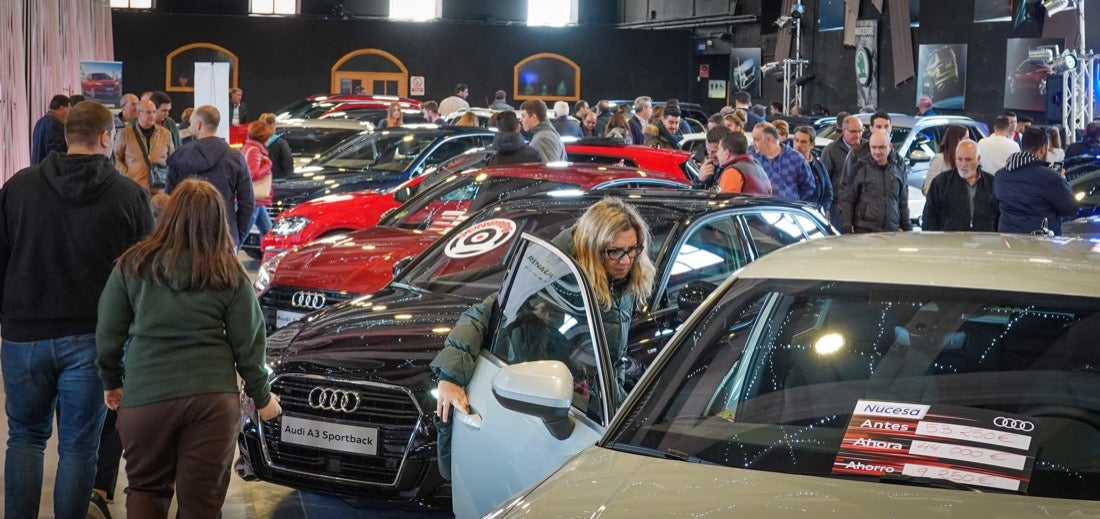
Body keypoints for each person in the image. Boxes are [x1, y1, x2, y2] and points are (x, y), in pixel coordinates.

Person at [1, 101, 154, 519]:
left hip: (23, 335)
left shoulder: (18, 187)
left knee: (26, 438)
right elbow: (144, 276)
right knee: (79, 446)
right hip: (95, 340)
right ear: (107, 138)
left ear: (68, 135)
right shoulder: (131, 196)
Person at [96, 179, 281, 518]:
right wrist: (263, 397)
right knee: (202, 505)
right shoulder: (229, 272)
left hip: (145, 398)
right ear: (218, 221)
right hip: (211, 401)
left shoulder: (133, 264)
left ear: (169, 216)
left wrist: (112, 381)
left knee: (146, 491)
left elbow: (108, 334)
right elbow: (250, 344)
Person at [430, 197, 655, 473]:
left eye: (633, 250)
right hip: (548, 408)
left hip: (594, 407)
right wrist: (450, 377)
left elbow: (611, 357)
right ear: (592, 249)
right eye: (615, 252)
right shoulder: (555, 273)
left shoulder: (623, 280)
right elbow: (488, 312)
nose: (627, 261)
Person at [165, 105, 254, 246]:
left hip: (186, 237)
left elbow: (169, 200)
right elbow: (247, 202)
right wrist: (237, 236)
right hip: (224, 235)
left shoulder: (179, 157)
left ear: (198, 124)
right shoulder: (235, 157)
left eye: (191, 123)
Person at [993, 126, 1078, 236]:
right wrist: (1062, 180)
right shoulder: (1050, 177)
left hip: (1008, 242)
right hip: (1040, 243)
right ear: (1042, 149)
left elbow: (996, 204)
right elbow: (1071, 208)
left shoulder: (1000, 175)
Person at [842, 130, 912, 233]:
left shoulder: (898, 168)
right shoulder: (859, 167)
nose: (877, 152)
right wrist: (846, 228)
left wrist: (907, 228)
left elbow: (903, 202)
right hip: (864, 231)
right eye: (873, 147)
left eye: (882, 147)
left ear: (890, 147)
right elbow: (848, 200)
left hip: (892, 231)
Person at [922, 139, 998, 232]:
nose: (963, 164)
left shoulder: (992, 183)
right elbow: (929, 218)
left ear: (978, 159)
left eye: (968, 159)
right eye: (959, 159)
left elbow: (999, 216)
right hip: (950, 243)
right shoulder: (941, 182)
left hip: (984, 242)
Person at [114, 99, 176, 194]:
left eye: (154, 112)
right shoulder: (125, 134)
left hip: (159, 189)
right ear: (138, 114)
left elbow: (172, 158)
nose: (152, 115)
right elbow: (116, 157)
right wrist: (127, 175)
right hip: (134, 188)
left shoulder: (165, 134)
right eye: (148, 112)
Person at [751, 122, 815, 202]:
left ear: (768, 140)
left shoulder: (796, 158)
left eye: (756, 139)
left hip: (787, 211)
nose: (753, 143)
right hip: (757, 211)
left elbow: (808, 187)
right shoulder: (752, 158)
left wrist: (792, 200)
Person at [821, 115, 863, 228]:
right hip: (838, 208)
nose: (857, 135)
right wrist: (826, 208)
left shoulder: (868, 148)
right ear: (844, 130)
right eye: (853, 131)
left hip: (863, 207)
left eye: (860, 131)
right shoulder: (831, 150)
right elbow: (824, 181)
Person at [242, 120, 274, 248]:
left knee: (268, 232)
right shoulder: (255, 150)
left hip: (255, 199)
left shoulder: (248, 148)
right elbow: (253, 174)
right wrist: (267, 166)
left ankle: (269, 260)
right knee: (241, 236)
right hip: (253, 200)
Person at [792, 125, 834, 213]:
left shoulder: (819, 166)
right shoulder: (785, 165)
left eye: (803, 142)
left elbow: (828, 193)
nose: (798, 145)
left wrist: (821, 210)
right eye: (796, 140)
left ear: (812, 144)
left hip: (813, 216)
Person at [921, 124, 969, 194]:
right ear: (956, 140)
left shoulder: (967, 161)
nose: (969, 142)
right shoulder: (940, 159)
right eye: (966, 139)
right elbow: (928, 189)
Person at [30, 94, 70, 164]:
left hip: (37, 168)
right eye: (69, 109)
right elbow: (56, 153)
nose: (69, 113)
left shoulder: (40, 122)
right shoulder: (54, 124)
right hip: (47, 171)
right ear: (62, 108)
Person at [260, 113, 293, 180]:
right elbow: (287, 166)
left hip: (259, 182)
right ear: (273, 125)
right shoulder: (281, 143)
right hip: (277, 182)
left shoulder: (254, 143)